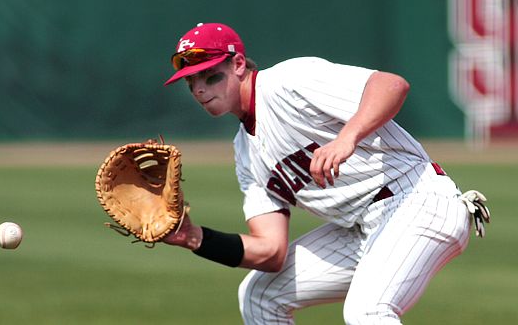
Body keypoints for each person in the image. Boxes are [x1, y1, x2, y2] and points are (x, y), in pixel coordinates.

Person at [162, 22, 482, 324]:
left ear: (239, 64)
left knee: (366, 311)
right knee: (259, 294)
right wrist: (194, 237)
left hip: (417, 198)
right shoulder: (245, 154)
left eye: (210, 75)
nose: (199, 89)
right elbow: (271, 251)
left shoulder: (287, 81)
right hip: (362, 228)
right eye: (192, 81)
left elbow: (391, 84)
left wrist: (347, 138)